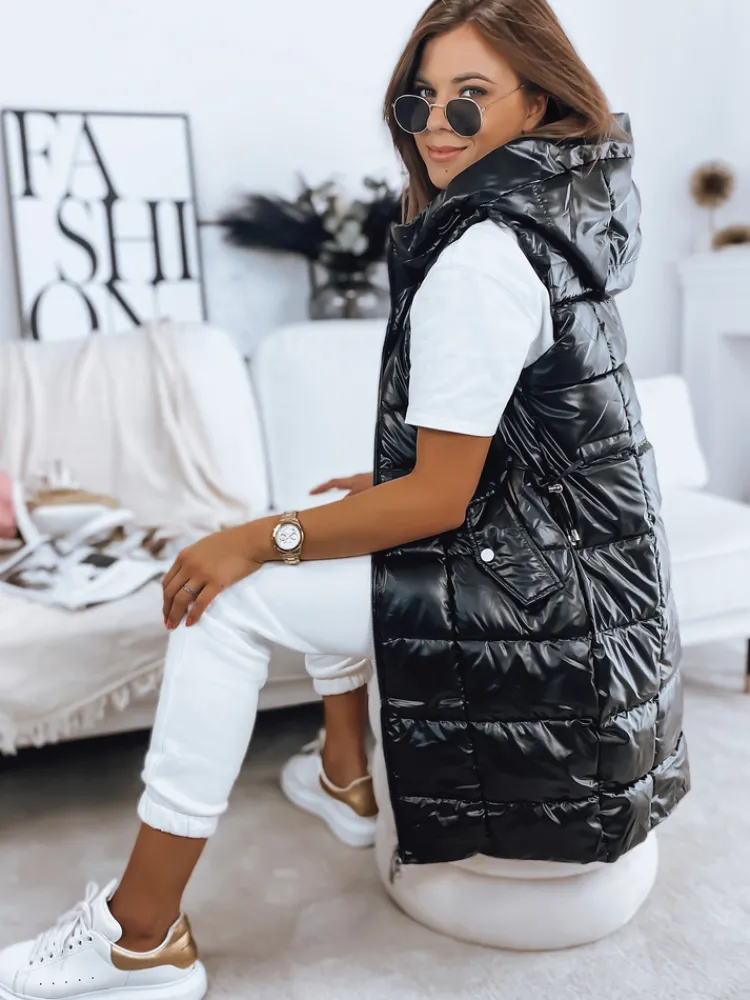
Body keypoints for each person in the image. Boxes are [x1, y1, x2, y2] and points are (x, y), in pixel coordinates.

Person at [0, 0, 689, 996]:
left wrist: (254, 539)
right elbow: (553, 445)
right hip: (575, 600)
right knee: (315, 519)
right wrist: (338, 508)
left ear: (537, 102)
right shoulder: (565, 222)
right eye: (421, 101)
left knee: (227, 596)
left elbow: (438, 501)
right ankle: (344, 775)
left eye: (470, 99)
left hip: (533, 618)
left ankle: (138, 938)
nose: (438, 127)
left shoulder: (482, 256)